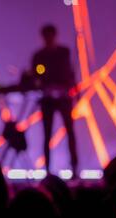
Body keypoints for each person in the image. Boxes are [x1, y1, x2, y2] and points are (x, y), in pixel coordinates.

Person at [31, 24, 78, 176]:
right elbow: (36, 75)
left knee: (70, 133)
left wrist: (74, 91)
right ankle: (48, 171)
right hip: (48, 99)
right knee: (47, 134)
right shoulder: (39, 56)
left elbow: (70, 73)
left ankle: (74, 168)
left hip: (63, 97)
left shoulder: (64, 53)